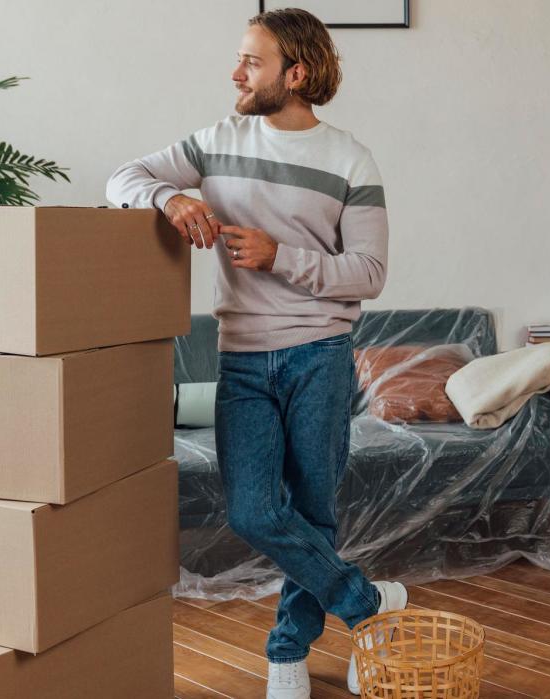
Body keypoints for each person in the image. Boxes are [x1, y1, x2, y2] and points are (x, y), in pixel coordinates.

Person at [105, 8, 403, 698]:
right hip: (242, 357)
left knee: (315, 510)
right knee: (252, 510)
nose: (234, 72)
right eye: (238, 58)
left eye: (252, 61)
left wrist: (282, 256)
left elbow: (370, 272)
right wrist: (170, 198)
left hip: (321, 355)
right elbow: (122, 178)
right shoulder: (216, 142)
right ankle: (367, 606)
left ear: (295, 74)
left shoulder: (350, 159)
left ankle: (286, 649)